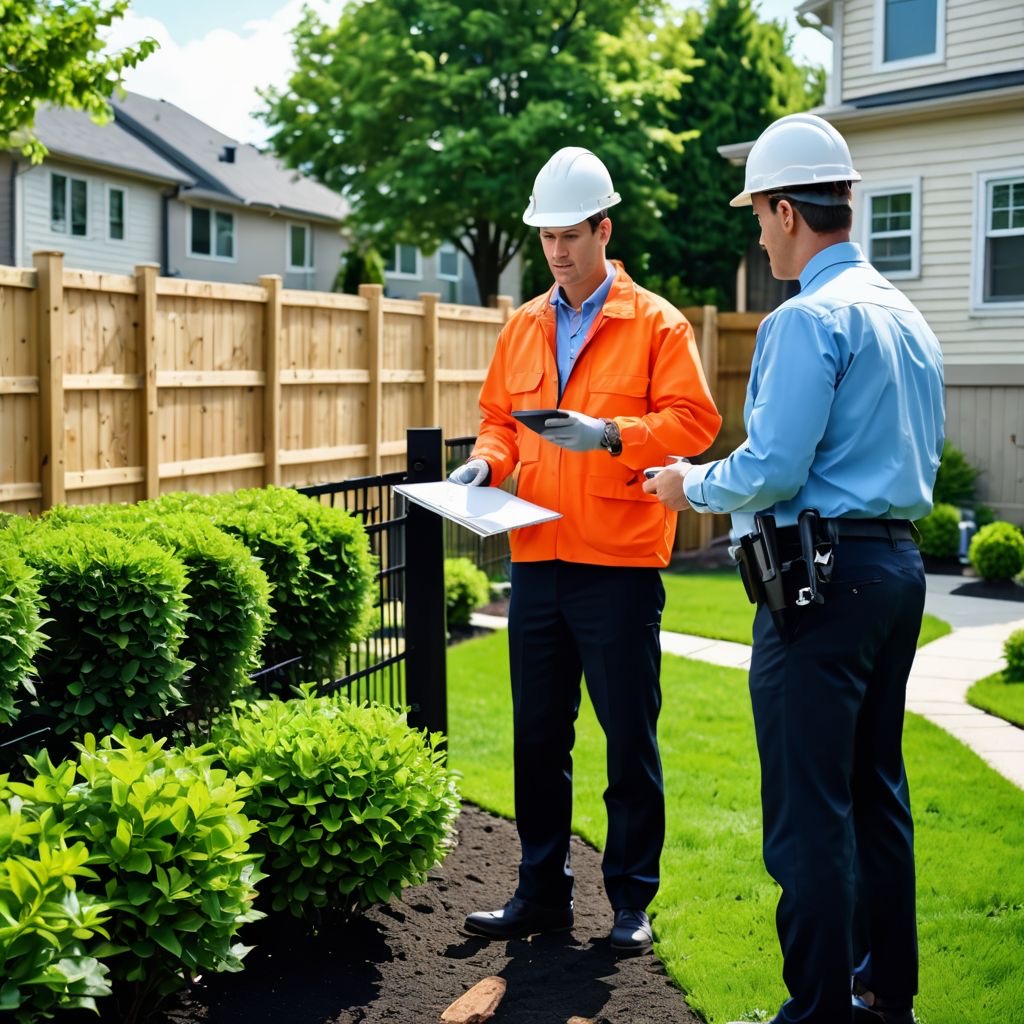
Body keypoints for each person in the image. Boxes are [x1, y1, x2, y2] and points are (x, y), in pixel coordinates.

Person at [644, 113, 944, 1023]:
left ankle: (815, 1012)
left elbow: (772, 467)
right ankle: (887, 994)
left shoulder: (806, 319)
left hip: (822, 586)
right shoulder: (906, 315)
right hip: (896, 574)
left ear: (784, 211)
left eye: (758, 215)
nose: (758, 232)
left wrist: (686, 481)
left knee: (809, 813)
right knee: (875, 793)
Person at [448, 146, 721, 954]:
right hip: (536, 559)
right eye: (546, 237)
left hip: (621, 564)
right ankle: (540, 894)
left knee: (628, 738)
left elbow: (695, 422)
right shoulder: (526, 323)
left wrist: (613, 435)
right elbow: (500, 416)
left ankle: (631, 903)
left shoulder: (658, 323)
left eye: (571, 234)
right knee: (538, 736)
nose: (558, 251)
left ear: (605, 228)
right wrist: (484, 460)